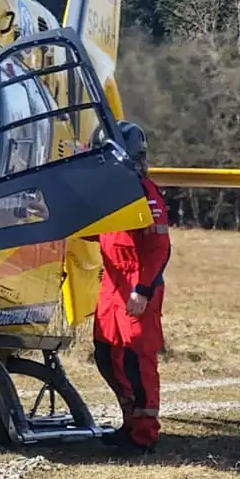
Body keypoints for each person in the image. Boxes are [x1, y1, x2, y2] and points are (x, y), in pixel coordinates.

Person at [91, 120, 170, 453]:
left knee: (136, 361)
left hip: (136, 285)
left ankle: (144, 435)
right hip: (112, 285)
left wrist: (143, 289)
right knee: (106, 356)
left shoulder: (144, 194)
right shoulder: (110, 195)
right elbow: (98, 230)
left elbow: (158, 249)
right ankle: (129, 422)